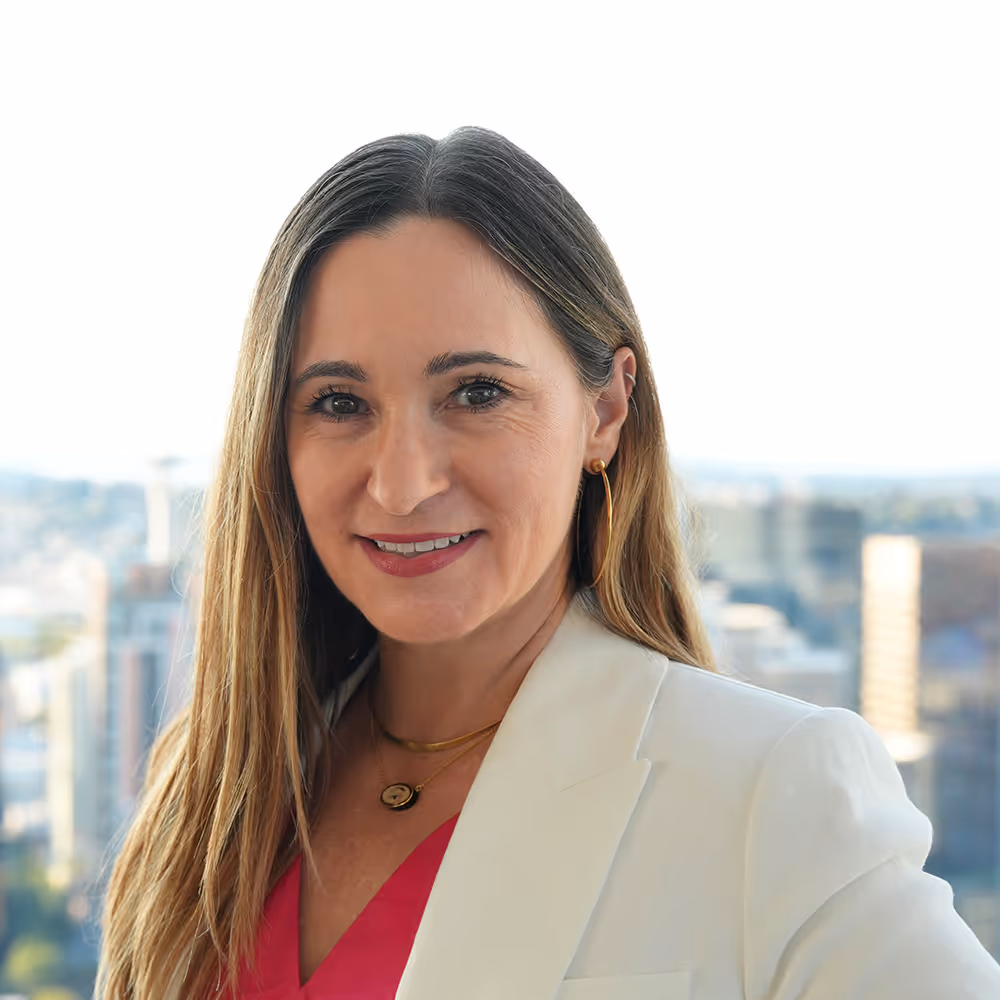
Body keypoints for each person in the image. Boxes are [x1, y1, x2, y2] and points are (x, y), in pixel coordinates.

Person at [96, 127, 1000, 1000]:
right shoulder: (211, 800)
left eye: (477, 393)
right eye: (338, 402)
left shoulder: (770, 792)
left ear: (605, 412)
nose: (404, 483)